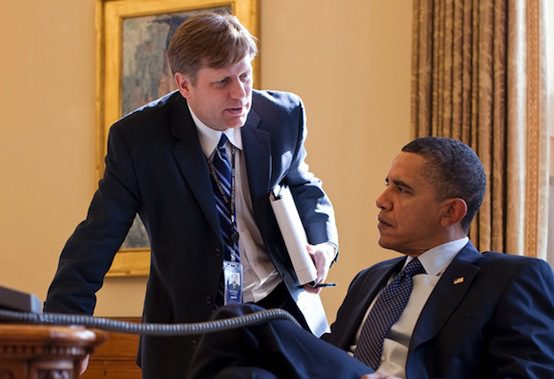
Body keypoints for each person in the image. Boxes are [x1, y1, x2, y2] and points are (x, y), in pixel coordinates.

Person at [43, 13, 339, 378]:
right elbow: (97, 237)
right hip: (189, 328)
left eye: (245, 75)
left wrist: (323, 245)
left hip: (280, 312)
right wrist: (66, 327)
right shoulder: (139, 139)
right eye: (222, 82)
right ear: (184, 85)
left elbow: (304, 187)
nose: (240, 94)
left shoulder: (282, 116)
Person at [186, 137, 554, 379]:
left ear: (450, 212)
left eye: (402, 189)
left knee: (244, 319)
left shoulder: (510, 278)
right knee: (241, 371)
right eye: (387, 183)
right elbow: (332, 355)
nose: (382, 199)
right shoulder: (371, 279)